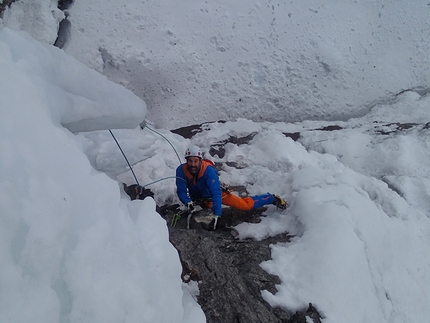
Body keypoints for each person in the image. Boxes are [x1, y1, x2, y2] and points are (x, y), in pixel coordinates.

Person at [175, 145, 288, 230]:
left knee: (244, 205)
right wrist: (187, 202)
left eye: (195, 161)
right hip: (199, 199)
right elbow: (181, 190)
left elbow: (215, 192)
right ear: (186, 161)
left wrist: (217, 214)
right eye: (190, 161)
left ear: (200, 161)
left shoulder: (208, 171)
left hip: (215, 195)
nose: (193, 164)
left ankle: (271, 198)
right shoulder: (181, 170)